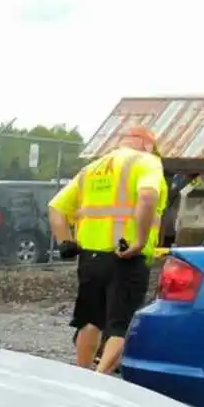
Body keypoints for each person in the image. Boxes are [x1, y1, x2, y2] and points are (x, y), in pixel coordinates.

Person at [48, 125, 167, 374]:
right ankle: (100, 380)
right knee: (119, 326)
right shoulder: (147, 162)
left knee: (90, 320)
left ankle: (81, 375)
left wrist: (65, 242)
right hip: (127, 257)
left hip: (90, 257)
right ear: (147, 145)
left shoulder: (92, 169)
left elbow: (56, 208)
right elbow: (147, 197)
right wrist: (140, 241)